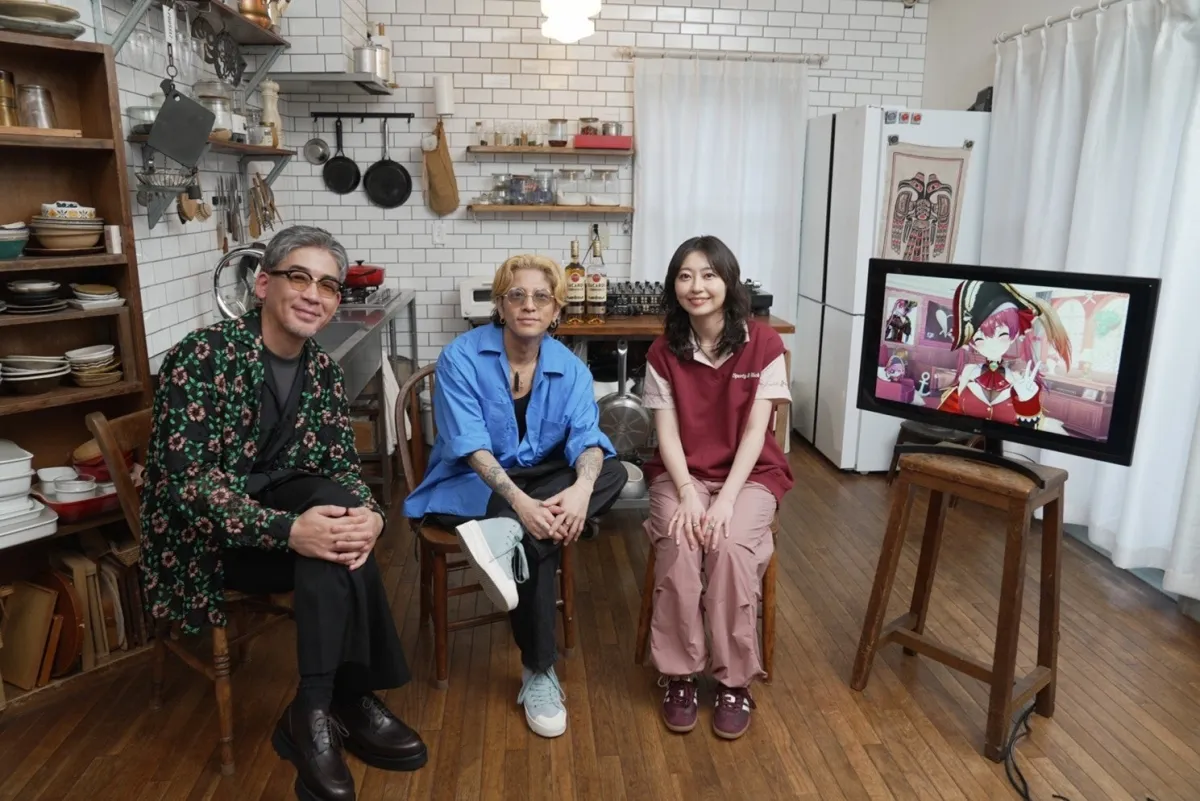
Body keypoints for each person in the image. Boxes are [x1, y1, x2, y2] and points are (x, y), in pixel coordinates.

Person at [141, 225, 426, 801]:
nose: (313, 295)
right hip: (208, 545)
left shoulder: (320, 369)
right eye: (299, 277)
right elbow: (188, 488)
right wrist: (289, 530)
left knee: (342, 523)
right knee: (325, 538)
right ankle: (343, 699)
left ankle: (316, 708)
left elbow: (342, 466)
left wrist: (373, 515)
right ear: (263, 284)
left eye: (328, 285)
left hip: (278, 526)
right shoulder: (204, 356)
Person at [403, 253, 628, 739]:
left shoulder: (571, 369)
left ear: (556, 310)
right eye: (517, 295)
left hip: (541, 481)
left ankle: (509, 539)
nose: (529, 305)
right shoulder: (462, 357)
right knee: (537, 533)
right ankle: (539, 670)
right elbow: (470, 447)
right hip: (471, 482)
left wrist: (581, 490)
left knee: (610, 471)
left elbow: (588, 439)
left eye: (542, 297)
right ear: (501, 305)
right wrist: (525, 507)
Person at [639, 235, 793, 740]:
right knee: (681, 540)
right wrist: (687, 492)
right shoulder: (663, 351)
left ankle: (734, 681)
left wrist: (725, 499)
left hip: (750, 475)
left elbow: (756, 433)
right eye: (685, 276)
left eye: (708, 275)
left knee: (727, 546)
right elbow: (665, 434)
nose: (697, 286)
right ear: (673, 286)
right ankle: (679, 674)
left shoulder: (764, 344)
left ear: (729, 281)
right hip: (680, 473)